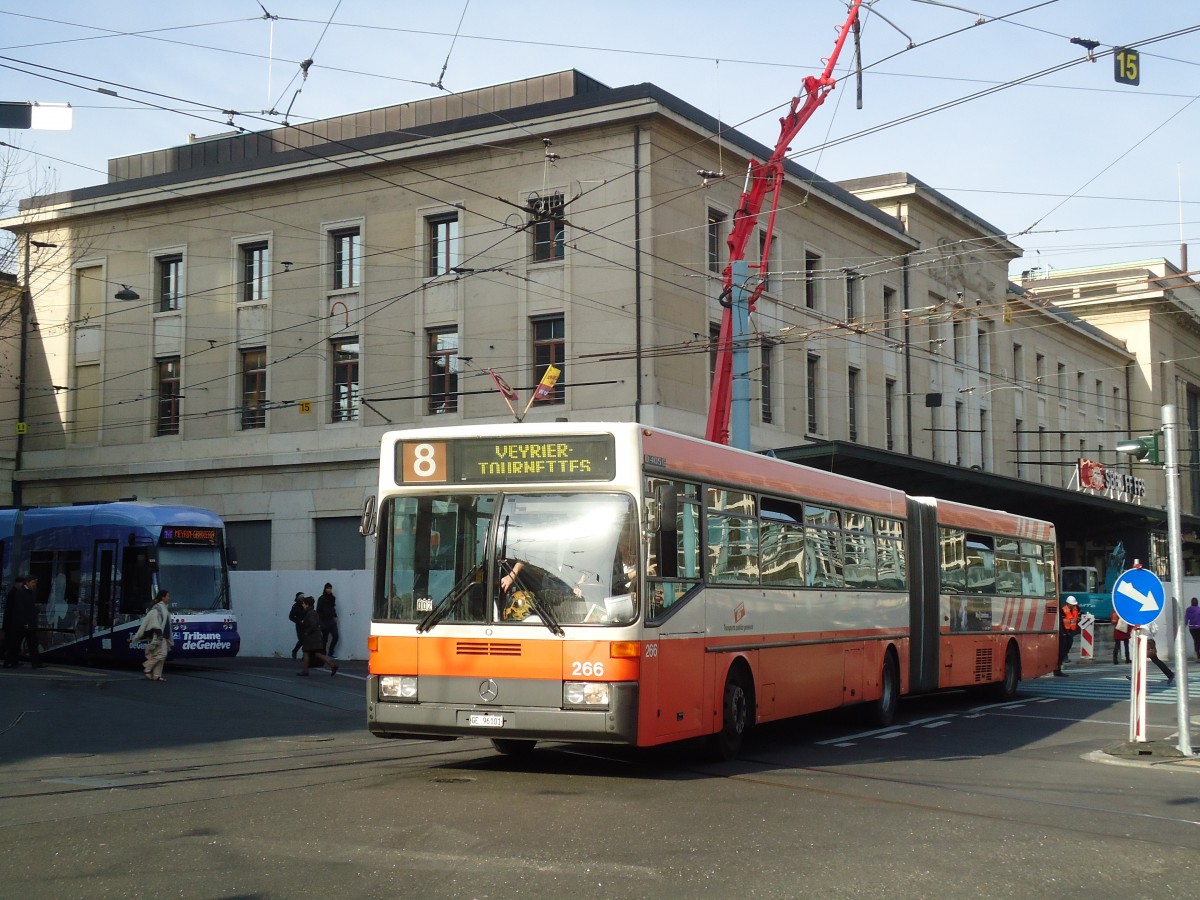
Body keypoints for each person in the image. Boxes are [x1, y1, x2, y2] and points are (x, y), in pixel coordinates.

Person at [131, 590, 172, 681]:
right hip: (159, 635)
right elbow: (154, 622)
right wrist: (159, 633)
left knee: (159, 655)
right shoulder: (158, 608)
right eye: (168, 596)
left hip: (164, 635)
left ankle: (157, 675)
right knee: (162, 654)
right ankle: (147, 667)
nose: (169, 598)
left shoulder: (163, 607)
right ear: (163, 597)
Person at [3, 575, 43, 669]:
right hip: (23, 625)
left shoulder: (29, 592)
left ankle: (34, 663)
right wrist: (25, 622)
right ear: (27, 582)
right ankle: (9, 662)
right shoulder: (21, 592)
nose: (34, 585)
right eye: (33, 582)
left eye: (35, 583)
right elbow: (20, 609)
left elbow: (28, 607)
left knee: (31, 643)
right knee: (16, 644)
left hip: (27, 624)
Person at [296, 595, 338, 676]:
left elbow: (313, 624)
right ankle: (333, 665)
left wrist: (306, 632)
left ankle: (305, 671)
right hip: (316, 638)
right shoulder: (313, 612)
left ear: (307, 604)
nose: (303, 605)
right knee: (318, 654)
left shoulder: (310, 613)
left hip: (311, 638)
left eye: (304, 604)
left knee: (306, 653)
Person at [1054, 596, 1080, 676]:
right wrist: (1064, 632)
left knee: (1069, 644)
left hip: (1071, 631)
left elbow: (1075, 618)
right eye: (1072, 604)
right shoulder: (1063, 610)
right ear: (1068, 604)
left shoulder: (1076, 609)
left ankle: (1065, 656)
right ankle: (1060, 665)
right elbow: (1061, 622)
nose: (1074, 606)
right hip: (1064, 632)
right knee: (1062, 649)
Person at [316, 582, 339, 658]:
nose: (329, 590)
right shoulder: (321, 598)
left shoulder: (332, 598)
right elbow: (318, 610)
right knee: (324, 639)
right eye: (327, 588)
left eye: (330, 588)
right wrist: (320, 621)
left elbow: (333, 608)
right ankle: (324, 653)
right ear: (325, 589)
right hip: (324, 620)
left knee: (335, 636)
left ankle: (330, 652)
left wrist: (335, 616)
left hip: (331, 620)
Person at [288, 591, 306, 659]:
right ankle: (295, 651)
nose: (302, 599)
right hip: (299, 626)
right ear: (297, 598)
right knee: (302, 640)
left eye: (303, 597)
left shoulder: (304, 604)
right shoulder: (295, 606)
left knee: (306, 640)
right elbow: (291, 616)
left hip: (306, 624)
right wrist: (299, 621)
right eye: (301, 597)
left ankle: (304, 656)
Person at [1187, 597, 1200, 662]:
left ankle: (1197, 655)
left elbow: (1186, 617)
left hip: (1192, 628)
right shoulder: (1199, 609)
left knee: (1196, 640)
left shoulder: (1188, 609)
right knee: (1198, 640)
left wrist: (1185, 624)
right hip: (1198, 627)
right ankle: (1198, 655)